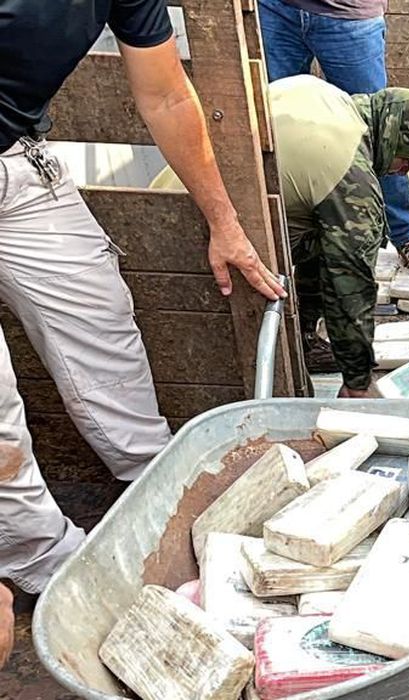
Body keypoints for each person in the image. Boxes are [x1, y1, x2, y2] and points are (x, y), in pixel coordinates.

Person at [0, 0, 285, 596]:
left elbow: (167, 96)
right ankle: (52, 570)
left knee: (103, 327)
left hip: (17, 165)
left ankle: (162, 493)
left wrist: (224, 220)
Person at [154, 75, 409, 398]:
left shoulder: (325, 94)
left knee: (325, 233)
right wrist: (357, 380)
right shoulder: (351, 177)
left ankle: (302, 339)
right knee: (346, 248)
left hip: (165, 198)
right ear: (392, 137)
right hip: (194, 236)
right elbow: (350, 287)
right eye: (406, 161)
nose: (401, 173)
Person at [257, 0, 409, 299]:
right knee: (277, 125)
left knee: (382, 133)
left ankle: (405, 232)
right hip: (277, 8)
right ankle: (288, 246)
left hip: (348, 12)